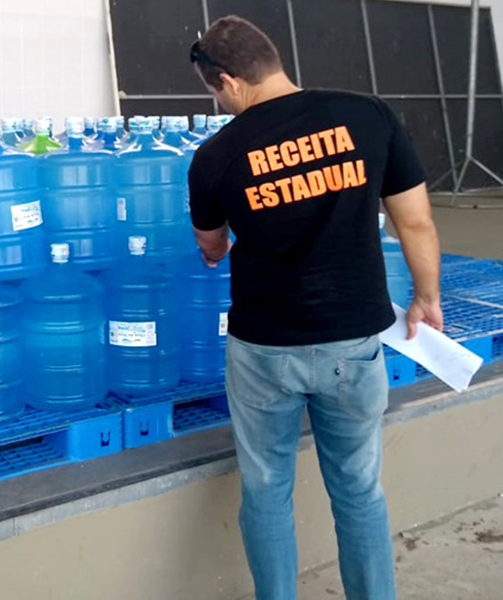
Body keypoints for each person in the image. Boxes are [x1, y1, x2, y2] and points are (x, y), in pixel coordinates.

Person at [187, 15, 443, 600]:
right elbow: (416, 222)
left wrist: (226, 236)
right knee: (359, 490)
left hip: (263, 346)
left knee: (265, 490)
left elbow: (212, 244)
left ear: (227, 82)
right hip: (351, 340)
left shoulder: (216, 155)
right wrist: (426, 299)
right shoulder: (368, 115)